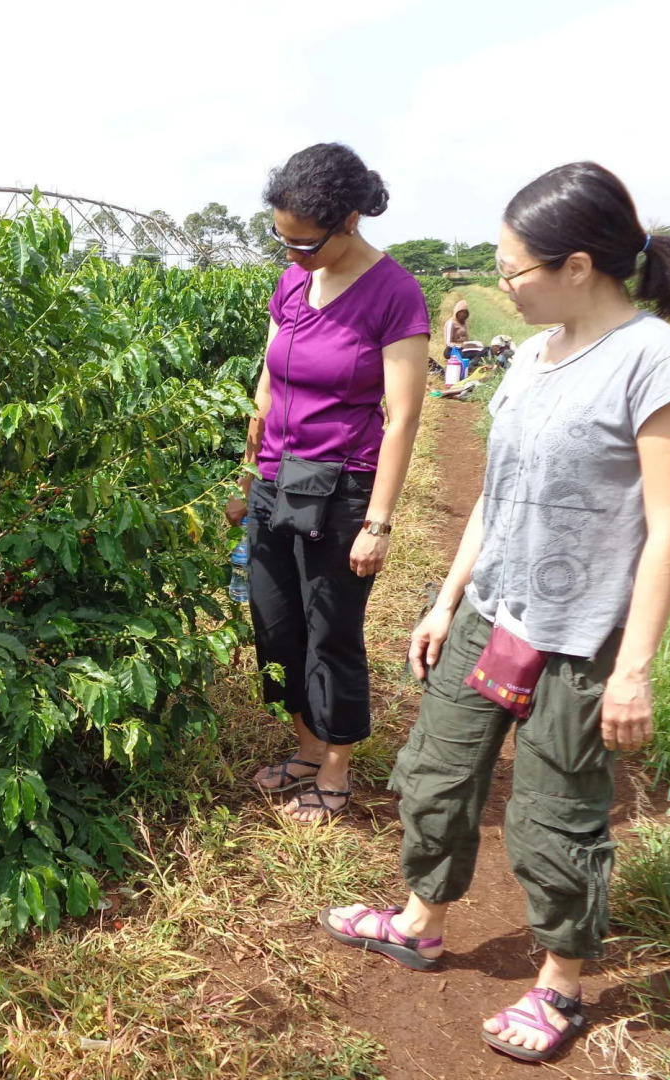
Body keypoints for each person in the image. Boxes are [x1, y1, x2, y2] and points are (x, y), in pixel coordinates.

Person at [318, 162, 670, 1062]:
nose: (504, 287)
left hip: (582, 637)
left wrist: (635, 668)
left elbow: (668, 530)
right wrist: (447, 596)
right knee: (435, 774)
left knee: (555, 813)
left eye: (513, 271)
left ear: (578, 266)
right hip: (493, 609)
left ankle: (560, 982)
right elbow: (497, 496)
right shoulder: (529, 357)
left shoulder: (656, 361)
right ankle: (419, 920)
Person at [226, 143, 431, 823]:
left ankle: (336, 771)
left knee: (330, 629)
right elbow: (269, 379)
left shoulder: (393, 294)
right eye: (280, 238)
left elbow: (401, 418)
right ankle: (307, 747)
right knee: (274, 621)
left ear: (348, 220)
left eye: (305, 243)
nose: (292, 255)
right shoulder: (290, 283)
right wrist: (246, 473)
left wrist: (377, 522)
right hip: (276, 478)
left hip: (341, 486)